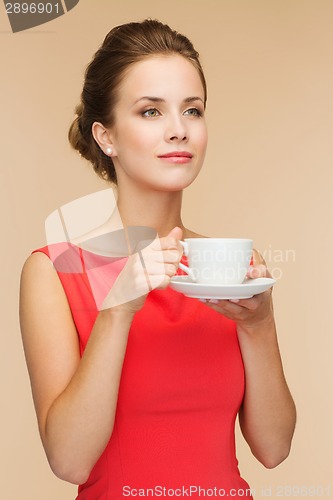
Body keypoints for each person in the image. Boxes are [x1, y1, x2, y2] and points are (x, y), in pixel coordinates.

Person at [19, 19, 296, 499]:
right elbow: (69, 460)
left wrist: (260, 324)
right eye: (151, 112)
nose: (178, 130)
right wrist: (117, 310)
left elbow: (274, 447)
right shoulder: (53, 272)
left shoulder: (231, 267)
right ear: (106, 137)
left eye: (192, 110)